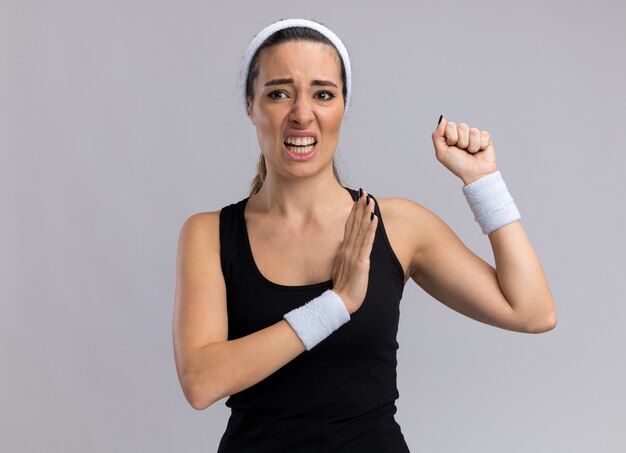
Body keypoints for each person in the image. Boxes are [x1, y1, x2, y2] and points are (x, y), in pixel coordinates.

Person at [172, 18, 557, 452]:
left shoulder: (398, 226)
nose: (302, 114)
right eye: (278, 93)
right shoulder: (209, 235)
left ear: (343, 107)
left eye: (323, 94)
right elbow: (202, 382)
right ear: (251, 106)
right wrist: (337, 305)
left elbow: (533, 312)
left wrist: (484, 183)